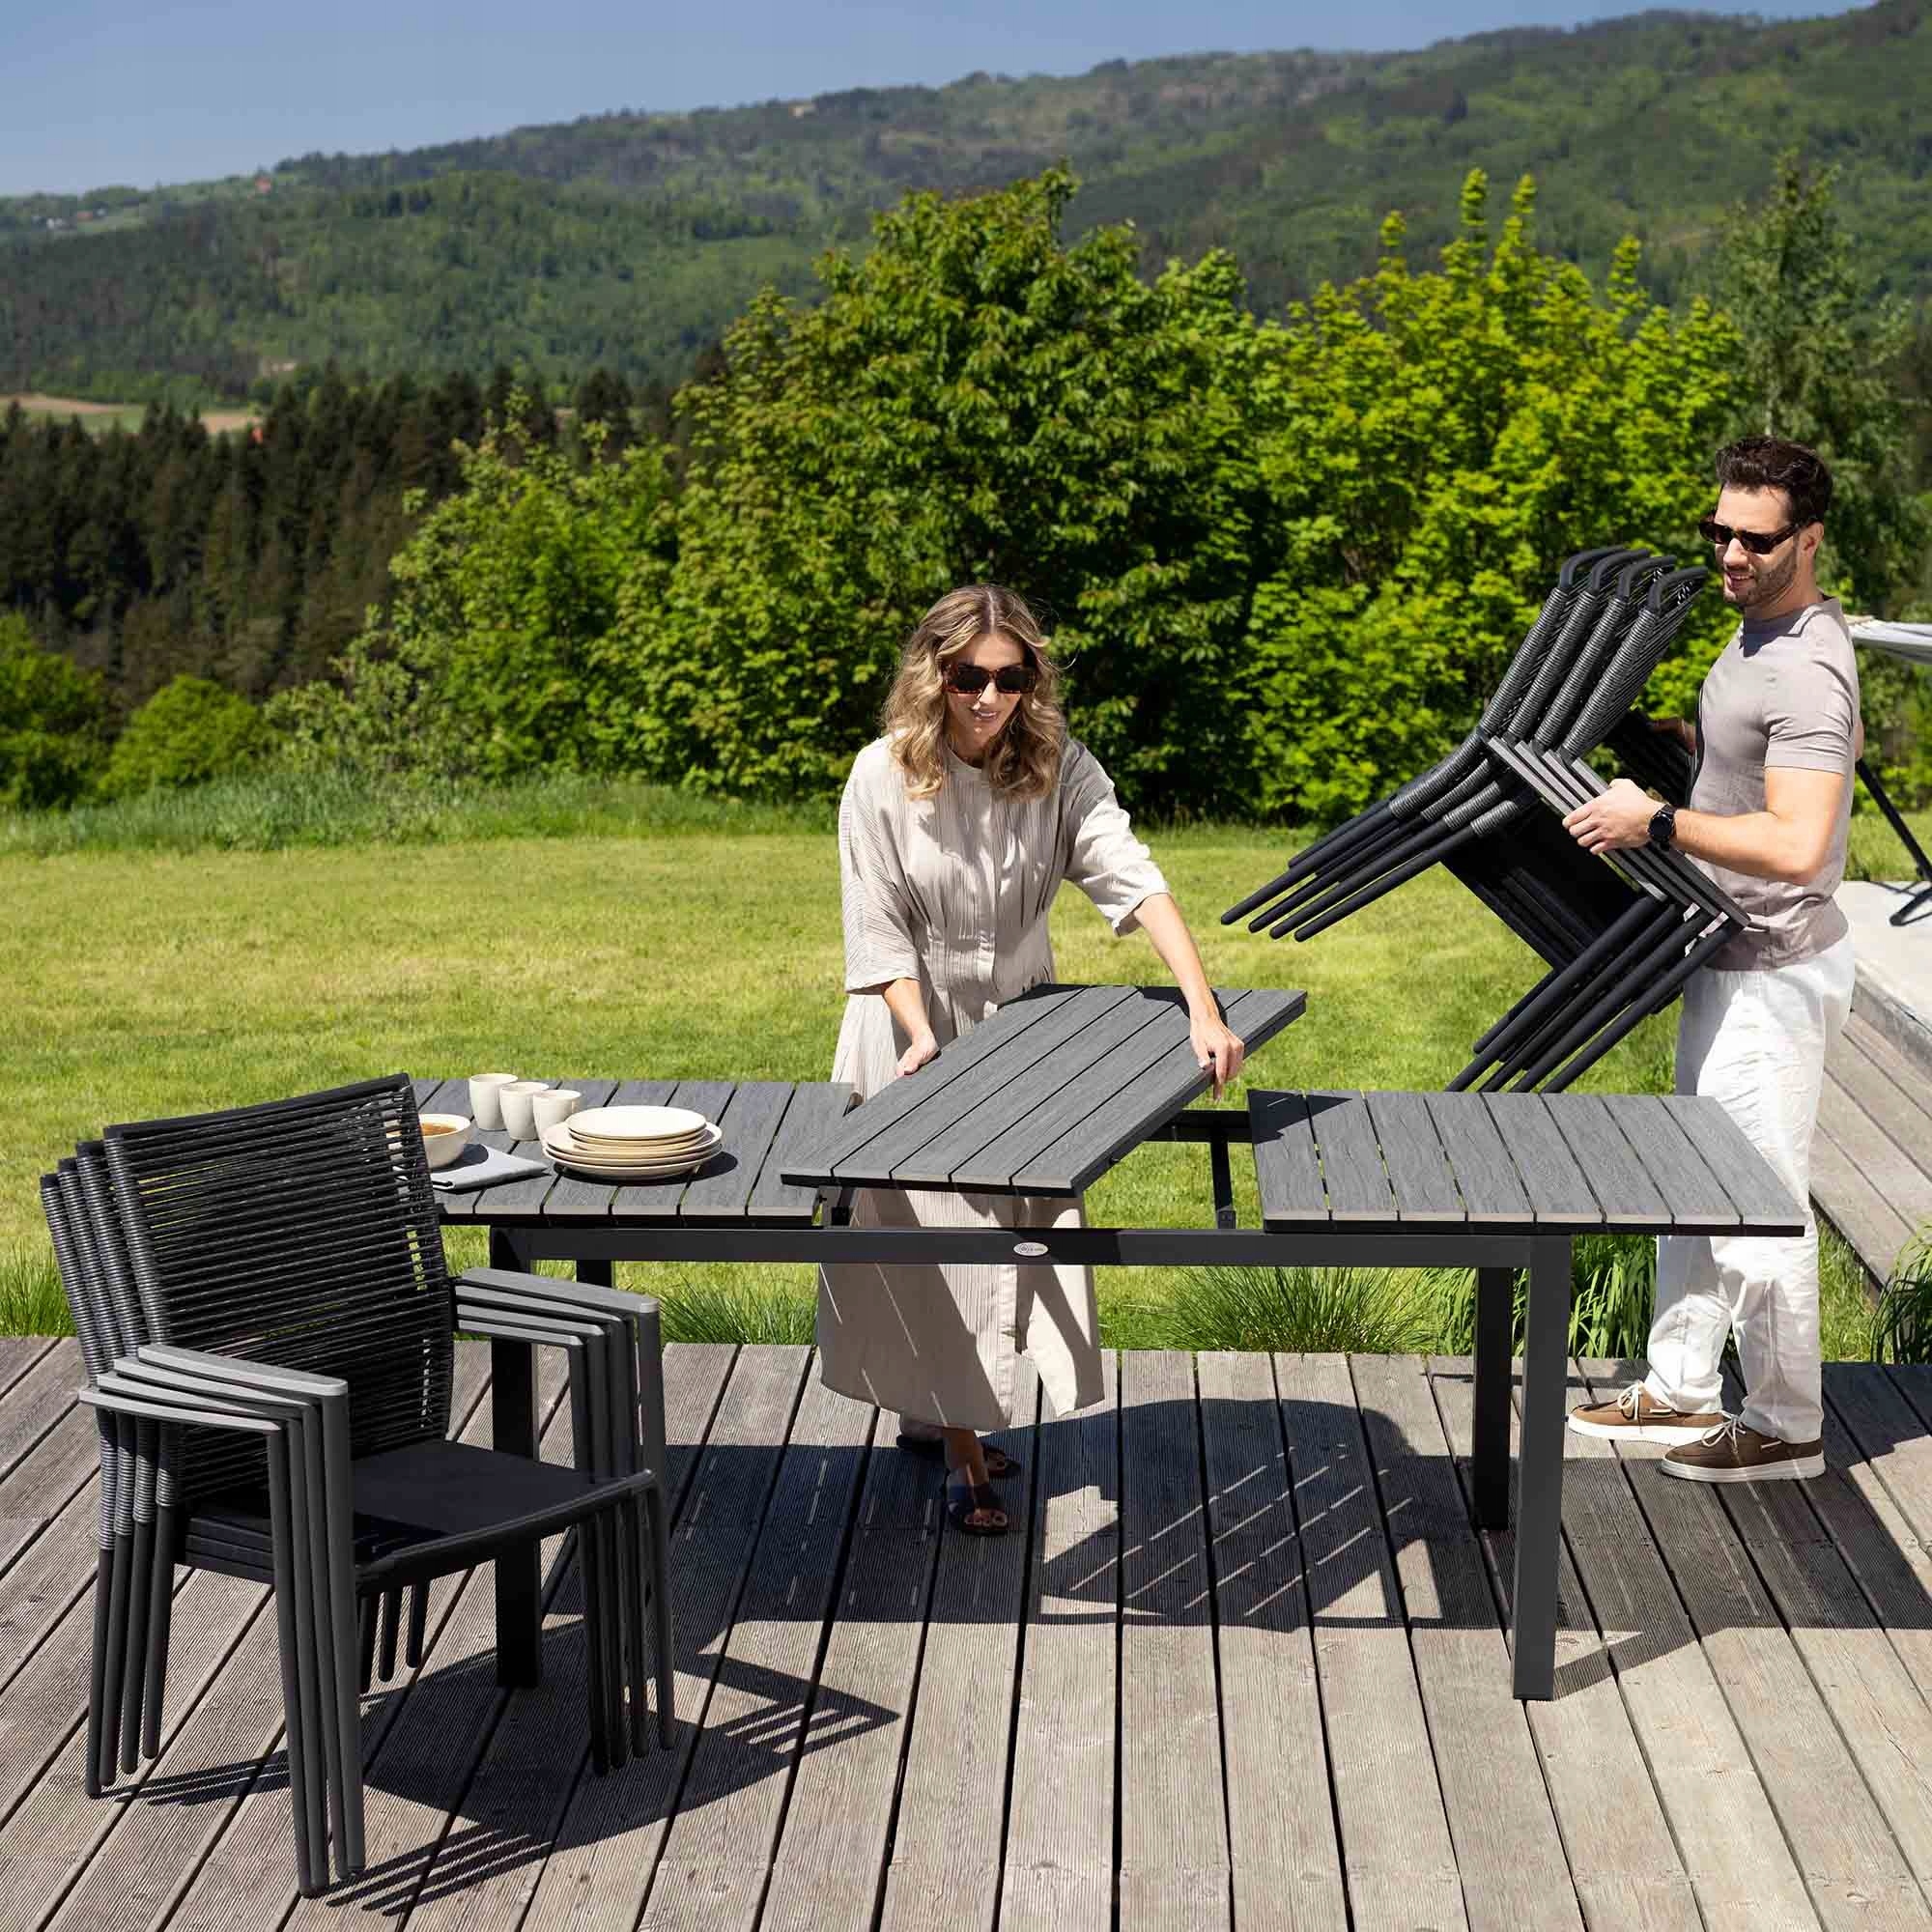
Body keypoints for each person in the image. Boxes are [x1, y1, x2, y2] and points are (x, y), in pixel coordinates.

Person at [818, 583, 1244, 1534]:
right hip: (910, 1029)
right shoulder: (880, 775)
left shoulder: (1056, 768)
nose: (988, 698)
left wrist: (1202, 1006)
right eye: (969, 676)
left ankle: (940, 1416)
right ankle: (964, 1452)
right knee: (939, 1239)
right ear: (932, 674)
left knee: (1011, 1227)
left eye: (1010, 679)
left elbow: (1132, 878)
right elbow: (875, 924)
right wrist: (919, 1030)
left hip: (1019, 1033)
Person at [1562, 436, 1860, 1482]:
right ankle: (1679, 1387)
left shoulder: (1807, 669)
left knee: (1758, 1198)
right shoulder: (1755, 631)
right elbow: (1753, 763)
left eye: (1755, 539)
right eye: (1718, 530)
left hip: (1772, 970)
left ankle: (1784, 1422)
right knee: (1694, 1183)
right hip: (1724, 953)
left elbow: (1799, 843)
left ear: (1807, 540)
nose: (1730, 553)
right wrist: (1686, 751)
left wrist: (1656, 820)